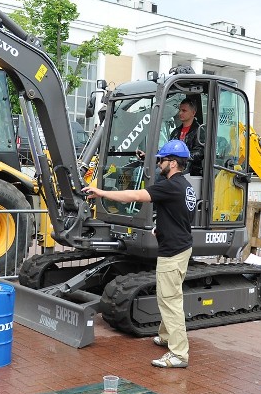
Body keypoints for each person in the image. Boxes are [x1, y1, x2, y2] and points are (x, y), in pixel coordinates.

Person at [83, 139, 196, 368]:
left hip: (172, 252)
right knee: (170, 295)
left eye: (162, 160)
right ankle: (166, 337)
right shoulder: (186, 186)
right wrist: (162, 228)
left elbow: (134, 196)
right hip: (182, 246)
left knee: (170, 301)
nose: (159, 164)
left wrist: (101, 192)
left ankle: (179, 354)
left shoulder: (170, 186)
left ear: (172, 163)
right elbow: (182, 216)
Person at [169, 98, 204, 176]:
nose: (180, 113)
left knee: (158, 173)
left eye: (184, 111)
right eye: (180, 110)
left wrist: (182, 157)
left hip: (190, 170)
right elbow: (167, 149)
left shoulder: (199, 131)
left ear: (193, 113)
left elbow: (199, 152)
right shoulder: (175, 132)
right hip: (174, 166)